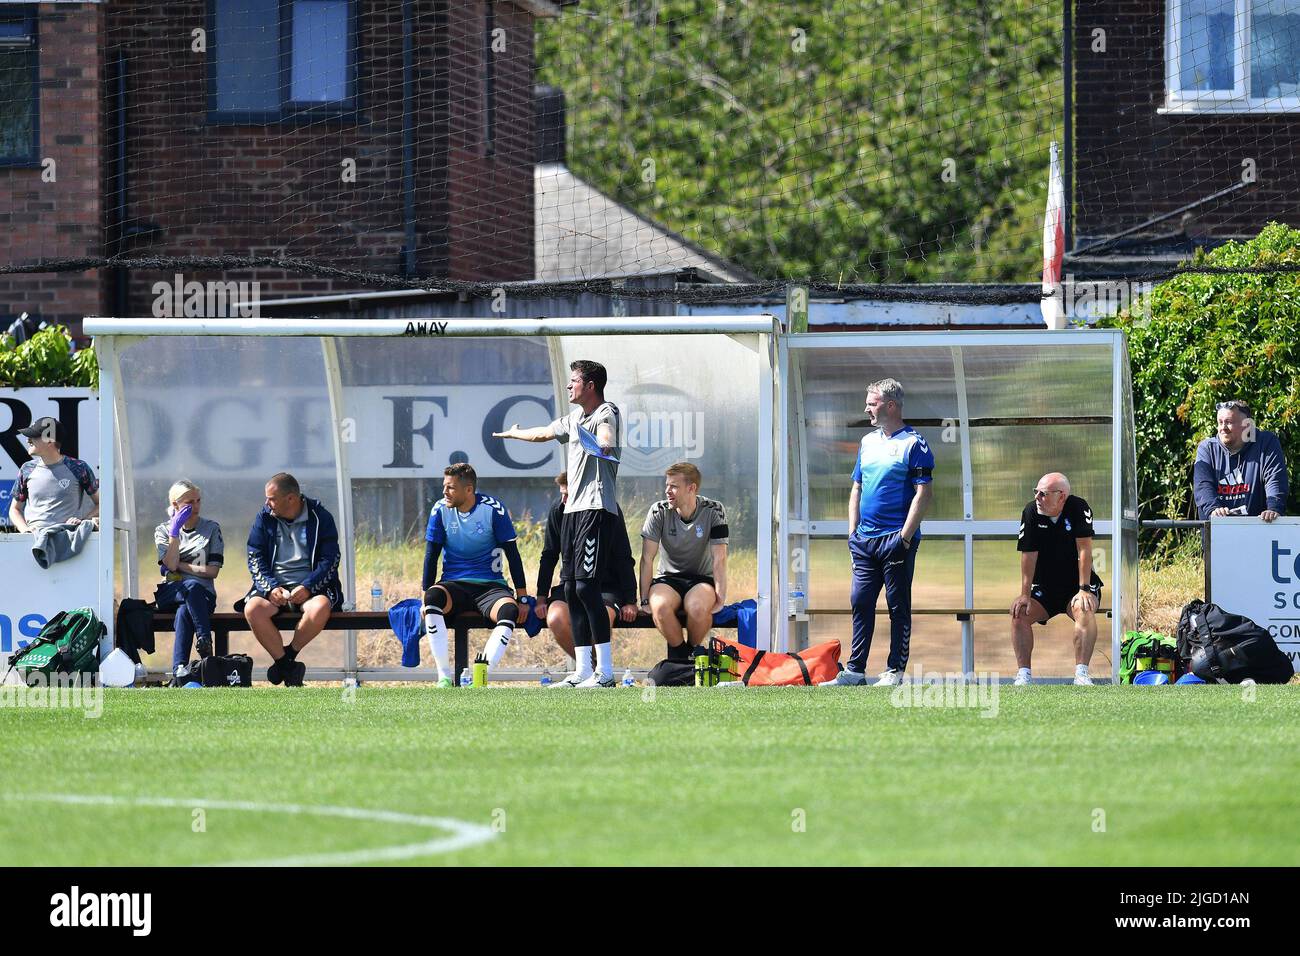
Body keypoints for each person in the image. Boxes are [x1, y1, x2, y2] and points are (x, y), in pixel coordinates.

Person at [494, 358, 623, 688]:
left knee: (586, 587)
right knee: (569, 590)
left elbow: (606, 437)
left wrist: (604, 446)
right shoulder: (574, 418)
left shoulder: (605, 412)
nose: (568, 386)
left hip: (596, 510)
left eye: (574, 381)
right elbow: (544, 433)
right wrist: (516, 433)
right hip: (573, 513)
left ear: (589, 385)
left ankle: (605, 672)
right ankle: (581, 670)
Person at [821, 378, 933, 687]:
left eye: (872, 403)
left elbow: (923, 494)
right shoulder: (868, 442)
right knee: (861, 601)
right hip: (864, 541)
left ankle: (894, 671)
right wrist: (851, 533)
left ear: (891, 406)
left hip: (896, 540)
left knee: (898, 607)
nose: (867, 408)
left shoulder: (914, 442)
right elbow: (856, 487)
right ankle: (855, 671)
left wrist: (905, 538)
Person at [421, 462, 529, 687]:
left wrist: (524, 598)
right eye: (444, 486)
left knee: (509, 610)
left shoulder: (493, 509)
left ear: (468, 490)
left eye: (450, 487)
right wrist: (424, 593)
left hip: (490, 587)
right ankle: (443, 677)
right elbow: (431, 556)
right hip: (454, 585)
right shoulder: (439, 509)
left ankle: (480, 677)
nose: (444, 492)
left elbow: (513, 555)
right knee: (432, 599)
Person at [242, 472, 343, 687]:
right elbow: (254, 555)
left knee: (320, 606)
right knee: (252, 609)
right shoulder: (264, 517)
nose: (267, 503)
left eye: (271, 498)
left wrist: (307, 586)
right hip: (274, 588)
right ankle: (288, 668)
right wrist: (270, 588)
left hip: (311, 588)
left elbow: (330, 559)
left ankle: (287, 658)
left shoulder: (320, 517)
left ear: (291, 499)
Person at [534, 471, 637, 669]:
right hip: (571, 584)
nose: (563, 500)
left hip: (606, 587)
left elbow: (624, 557)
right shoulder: (558, 509)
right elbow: (549, 555)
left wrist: (631, 600)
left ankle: (601, 671)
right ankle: (589, 669)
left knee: (601, 617)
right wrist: (540, 596)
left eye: (568, 495)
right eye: (561, 494)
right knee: (556, 618)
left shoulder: (607, 509)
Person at [1010, 472, 1103, 686]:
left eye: (1043, 494)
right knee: (1018, 613)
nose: (1037, 498)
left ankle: (1081, 674)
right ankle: (1024, 675)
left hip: (1077, 584)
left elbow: (1085, 551)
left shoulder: (1078, 507)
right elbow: (1028, 555)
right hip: (1044, 586)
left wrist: (1084, 589)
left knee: (1085, 609)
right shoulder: (1031, 511)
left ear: (1061, 496)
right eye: (1036, 492)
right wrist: (1024, 595)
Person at [639, 462, 729, 653]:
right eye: (667, 485)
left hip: (701, 581)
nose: (667, 491)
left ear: (691, 488)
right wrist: (645, 599)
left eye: (674, 486)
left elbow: (719, 559)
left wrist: (720, 598)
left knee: (697, 608)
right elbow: (647, 558)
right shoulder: (658, 511)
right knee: (661, 607)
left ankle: (693, 653)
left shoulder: (714, 510)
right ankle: (682, 657)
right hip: (667, 580)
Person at [153, 479, 223, 675]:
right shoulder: (163, 531)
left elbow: (213, 571)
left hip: (203, 597)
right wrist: (174, 532)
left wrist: (181, 566)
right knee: (190, 586)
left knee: (185, 610)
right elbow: (170, 564)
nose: (195, 506)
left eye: (198, 500)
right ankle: (205, 639)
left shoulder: (211, 528)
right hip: (170, 594)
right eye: (189, 502)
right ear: (175, 505)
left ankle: (179, 671)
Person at [1193, 399, 1288, 521]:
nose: (1223, 428)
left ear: (1247, 425)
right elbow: (1202, 485)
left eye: (1228, 422)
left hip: (1259, 529)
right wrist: (1213, 509)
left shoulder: (1265, 443)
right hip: (1217, 532)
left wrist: (1274, 508)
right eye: (1220, 422)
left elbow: (1275, 479)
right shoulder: (1207, 448)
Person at [8, 416, 99, 534]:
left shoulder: (79, 467)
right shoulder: (27, 469)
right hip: (32, 541)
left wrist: (82, 520)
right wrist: (25, 530)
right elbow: (14, 509)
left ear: (49, 440)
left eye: (34, 436)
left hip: (68, 541)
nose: (28, 440)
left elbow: (101, 504)